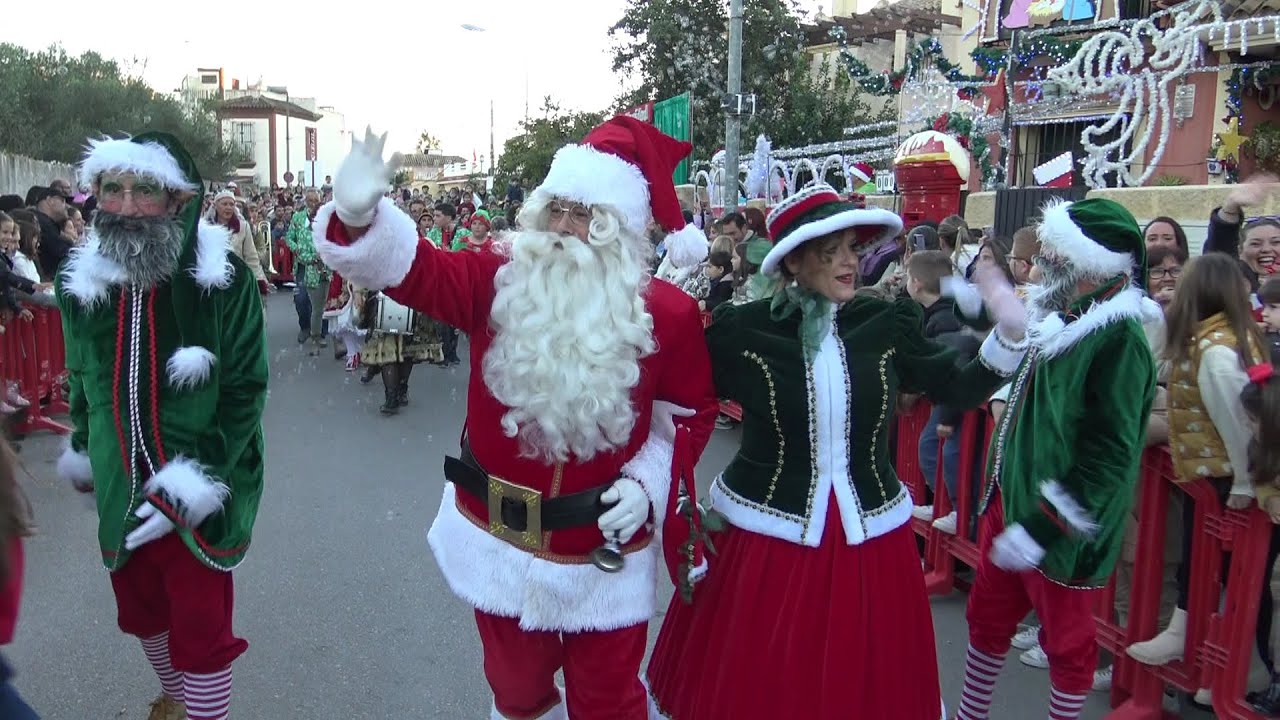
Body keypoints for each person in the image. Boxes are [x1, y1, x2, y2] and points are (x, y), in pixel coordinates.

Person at [315, 121, 717, 719]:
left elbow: (688, 418)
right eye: (554, 209)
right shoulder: (494, 279)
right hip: (498, 540)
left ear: (621, 229)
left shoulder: (669, 316)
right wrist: (359, 217)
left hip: (604, 553)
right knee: (517, 695)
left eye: (585, 215)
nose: (562, 228)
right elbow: (419, 272)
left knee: (609, 703)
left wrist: (647, 482)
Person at [647, 183, 1030, 720]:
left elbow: (957, 386)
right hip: (767, 538)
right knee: (762, 682)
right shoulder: (744, 331)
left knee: (866, 680)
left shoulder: (886, 323)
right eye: (837, 251)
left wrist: (1008, 337)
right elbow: (682, 394)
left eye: (856, 248)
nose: (853, 261)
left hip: (870, 538)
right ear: (797, 259)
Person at [54, 133, 268, 720]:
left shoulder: (223, 285)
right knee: (142, 613)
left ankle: (201, 709)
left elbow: (246, 392)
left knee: (201, 632)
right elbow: (80, 380)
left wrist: (200, 479)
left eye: (142, 189)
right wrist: (81, 446)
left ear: (177, 199)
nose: (123, 204)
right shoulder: (81, 289)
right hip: (119, 487)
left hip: (204, 483)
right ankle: (176, 699)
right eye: (110, 189)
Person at [953, 198, 1159, 720]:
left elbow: (1110, 455)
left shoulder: (1120, 340)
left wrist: (1045, 527)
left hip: (1057, 524)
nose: (1040, 260)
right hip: (1011, 500)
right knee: (986, 620)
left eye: (1051, 252)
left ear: (1087, 262)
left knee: (1066, 646)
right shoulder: (1061, 314)